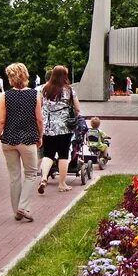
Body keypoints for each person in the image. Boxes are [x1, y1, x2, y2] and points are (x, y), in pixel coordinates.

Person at [0, 63, 43, 222]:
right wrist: (40, 136)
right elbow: (39, 119)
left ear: (10, 78)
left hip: (8, 140)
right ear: (26, 75)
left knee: (14, 177)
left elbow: (0, 121)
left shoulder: (4, 96)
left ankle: (16, 211)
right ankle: (23, 205)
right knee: (31, 174)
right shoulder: (35, 95)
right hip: (28, 140)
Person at [37, 65, 80, 194]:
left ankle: (44, 178)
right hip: (64, 128)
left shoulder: (42, 89)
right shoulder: (69, 90)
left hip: (47, 128)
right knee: (63, 155)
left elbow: (37, 108)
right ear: (64, 76)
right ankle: (62, 184)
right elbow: (77, 109)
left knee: (48, 154)